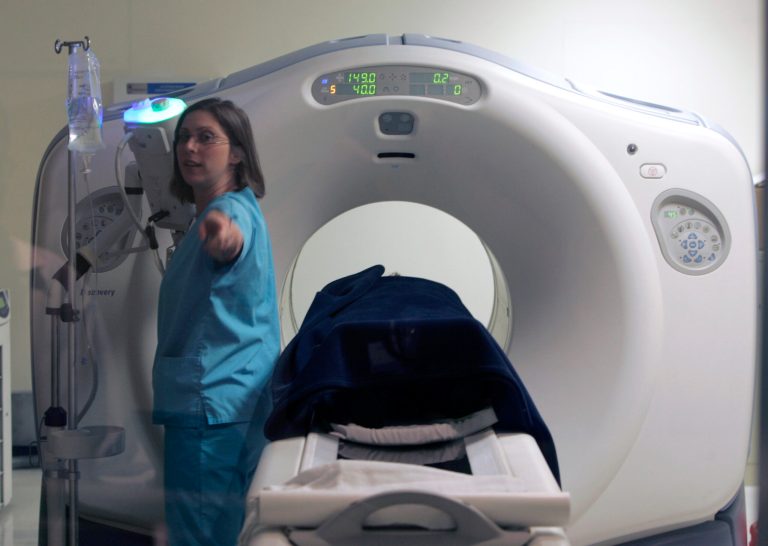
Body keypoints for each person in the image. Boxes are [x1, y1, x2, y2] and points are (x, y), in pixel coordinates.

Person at [151, 97, 280, 546]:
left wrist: (223, 237)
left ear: (238, 151)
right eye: (184, 137)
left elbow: (229, 239)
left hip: (209, 404)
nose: (190, 148)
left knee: (200, 535)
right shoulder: (240, 206)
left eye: (206, 138)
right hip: (237, 396)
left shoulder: (228, 213)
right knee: (225, 530)